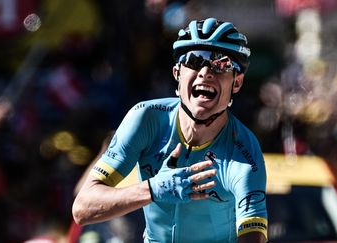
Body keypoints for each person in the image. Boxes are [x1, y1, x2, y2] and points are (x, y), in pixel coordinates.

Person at [72, 17, 268, 242]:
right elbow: (82, 208)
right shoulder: (146, 119)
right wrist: (153, 188)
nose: (206, 72)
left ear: (237, 83)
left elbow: (253, 236)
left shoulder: (243, 151)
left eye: (221, 64)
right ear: (177, 74)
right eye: (195, 60)